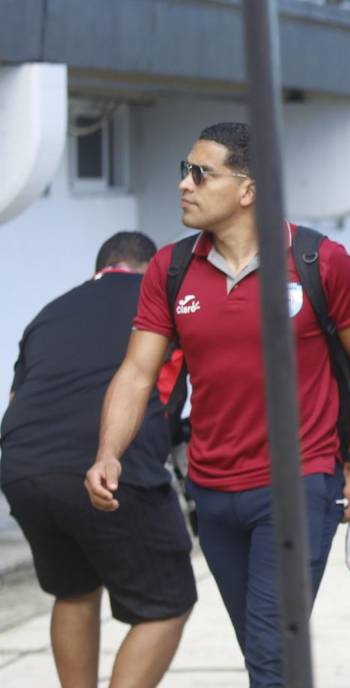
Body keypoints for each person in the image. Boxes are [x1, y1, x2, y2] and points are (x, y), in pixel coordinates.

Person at [83, 122, 350, 687]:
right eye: (184, 171)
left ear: (248, 190)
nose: (184, 184)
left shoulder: (321, 261)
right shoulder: (170, 269)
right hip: (213, 493)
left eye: (201, 174)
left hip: (299, 485)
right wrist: (108, 453)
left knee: (271, 657)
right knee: (263, 653)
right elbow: (136, 372)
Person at [1, 232, 196, 688]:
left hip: (23, 467)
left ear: (100, 267)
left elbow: (17, 397)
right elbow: (179, 404)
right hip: (110, 469)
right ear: (150, 270)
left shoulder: (51, 312)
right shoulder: (161, 303)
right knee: (168, 602)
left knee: (73, 591)